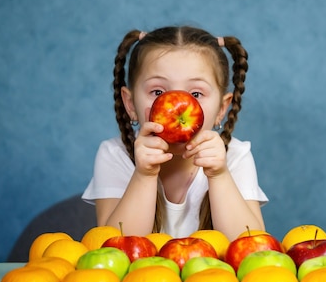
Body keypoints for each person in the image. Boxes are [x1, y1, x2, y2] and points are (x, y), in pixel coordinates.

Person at [82, 25, 267, 240]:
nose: (177, 105)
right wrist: (144, 175)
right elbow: (113, 246)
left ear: (221, 109)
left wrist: (219, 176)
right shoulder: (115, 154)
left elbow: (252, 246)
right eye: (158, 92)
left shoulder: (235, 155)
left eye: (196, 93)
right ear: (130, 104)